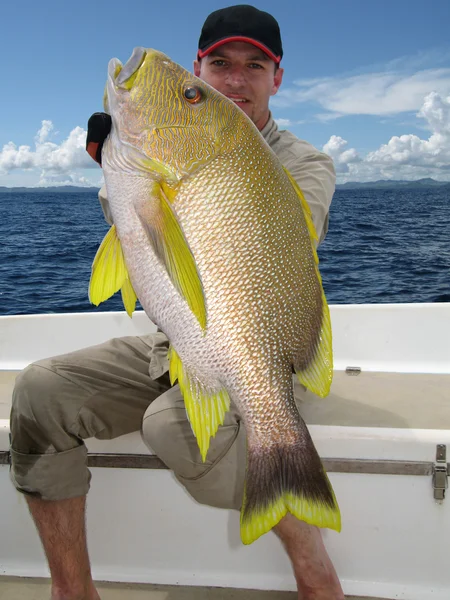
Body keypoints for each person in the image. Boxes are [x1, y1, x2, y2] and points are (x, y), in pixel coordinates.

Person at [9, 5, 343, 600]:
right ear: (201, 67)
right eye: (218, 66)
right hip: (177, 337)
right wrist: (120, 175)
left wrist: (152, 180)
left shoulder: (305, 163)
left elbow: (295, 242)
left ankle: (313, 563)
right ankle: (72, 590)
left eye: (254, 66)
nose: (235, 79)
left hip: (253, 342)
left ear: (278, 78)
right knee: (39, 391)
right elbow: (141, 251)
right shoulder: (165, 154)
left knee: (173, 425)